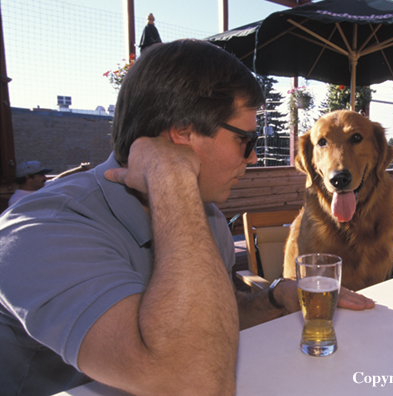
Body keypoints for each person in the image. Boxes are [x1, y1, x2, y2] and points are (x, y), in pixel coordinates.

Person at [0, 40, 374, 396]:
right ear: (181, 136)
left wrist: (277, 298)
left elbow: (208, 326)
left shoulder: (205, 217)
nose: (254, 158)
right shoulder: (44, 229)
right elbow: (193, 385)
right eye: (246, 140)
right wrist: (169, 178)